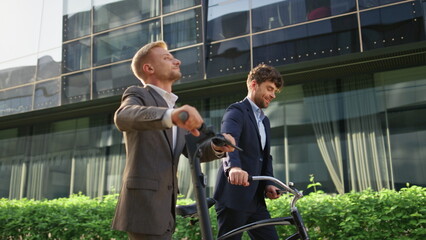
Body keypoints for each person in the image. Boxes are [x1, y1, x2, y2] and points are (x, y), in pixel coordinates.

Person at [111, 40, 235, 240]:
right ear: (148, 68)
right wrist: (170, 116)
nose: (177, 61)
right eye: (167, 58)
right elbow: (123, 116)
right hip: (144, 207)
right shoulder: (138, 94)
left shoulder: (174, 108)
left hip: (165, 207)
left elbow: (195, 151)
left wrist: (218, 146)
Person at [213, 64, 284, 240]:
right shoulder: (236, 111)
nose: (272, 95)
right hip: (234, 196)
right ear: (253, 84)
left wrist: (268, 182)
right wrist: (234, 168)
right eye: (269, 88)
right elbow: (228, 139)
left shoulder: (265, 121)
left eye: (275, 91)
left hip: (256, 200)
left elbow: (265, 156)